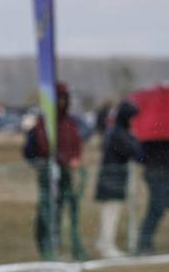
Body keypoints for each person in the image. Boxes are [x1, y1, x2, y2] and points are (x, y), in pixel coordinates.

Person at [23, 82, 87, 261]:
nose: (61, 102)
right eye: (58, 99)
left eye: (64, 99)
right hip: (48, 172)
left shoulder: (69, 123)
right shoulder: (43, 123)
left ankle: (57, 242)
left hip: (66, 172)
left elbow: (76, 143)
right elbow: (45, 146)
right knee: (46, 208)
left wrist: (74, 158)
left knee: (62, 207)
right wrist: (61, 159)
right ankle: (45, 244)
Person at [93, 100, 141, 258]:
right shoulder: (118, 133)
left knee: (109, 212)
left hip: (113, 179)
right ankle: (107, 246)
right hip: (112, 180)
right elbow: (133, 150)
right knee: (110, 213)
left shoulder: (116, 131)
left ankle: (103, 242)